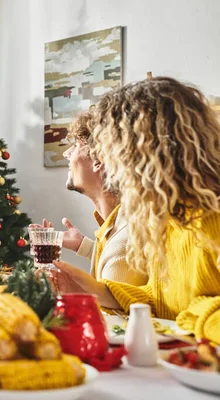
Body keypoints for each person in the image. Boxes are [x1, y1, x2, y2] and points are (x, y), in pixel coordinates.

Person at [52, 77, 220, 343]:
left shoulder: (213, 220)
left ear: (146, 152)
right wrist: (97, 290)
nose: (106, 162)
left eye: (112, 149)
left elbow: (185, 311)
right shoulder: (167, 219)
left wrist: (192, 315)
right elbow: (161, 299)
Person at [33, 111, 147, 286]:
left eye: (77, 145)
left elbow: (110, 311)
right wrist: (83, 246)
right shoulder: (116, 227)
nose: (67, 154)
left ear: (98, 160)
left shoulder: (127, 239)